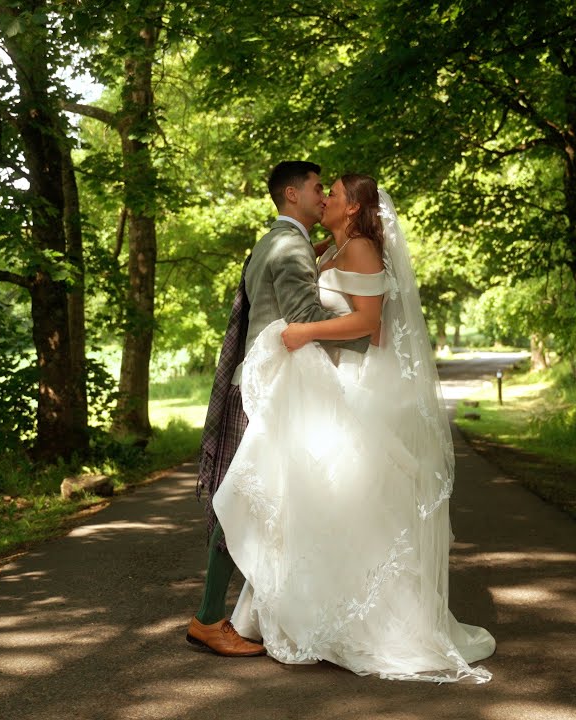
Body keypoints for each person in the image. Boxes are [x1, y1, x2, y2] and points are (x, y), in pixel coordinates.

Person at [212, 174, 495, 682]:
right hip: (329, 380)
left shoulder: (360, 247)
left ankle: (363, 620)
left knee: (348, 498)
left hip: (359, 383)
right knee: (320, 497)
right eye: (322, 190)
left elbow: (368, 322)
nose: (326, 198)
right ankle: (313, 608)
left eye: (335, 194)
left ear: (355, 206)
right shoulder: (337, 247)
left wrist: (303, 332)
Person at [187, 161, 370, 656]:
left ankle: (266, 609)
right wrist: (372, 325)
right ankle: (207, 618)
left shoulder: (276, 240)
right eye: (316, 188)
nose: (323, 196)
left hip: (259, 380)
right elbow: (303, 315)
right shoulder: (290, 245)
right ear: (292, 194)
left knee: (261, 498)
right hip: (266, 389)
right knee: (244, 496)